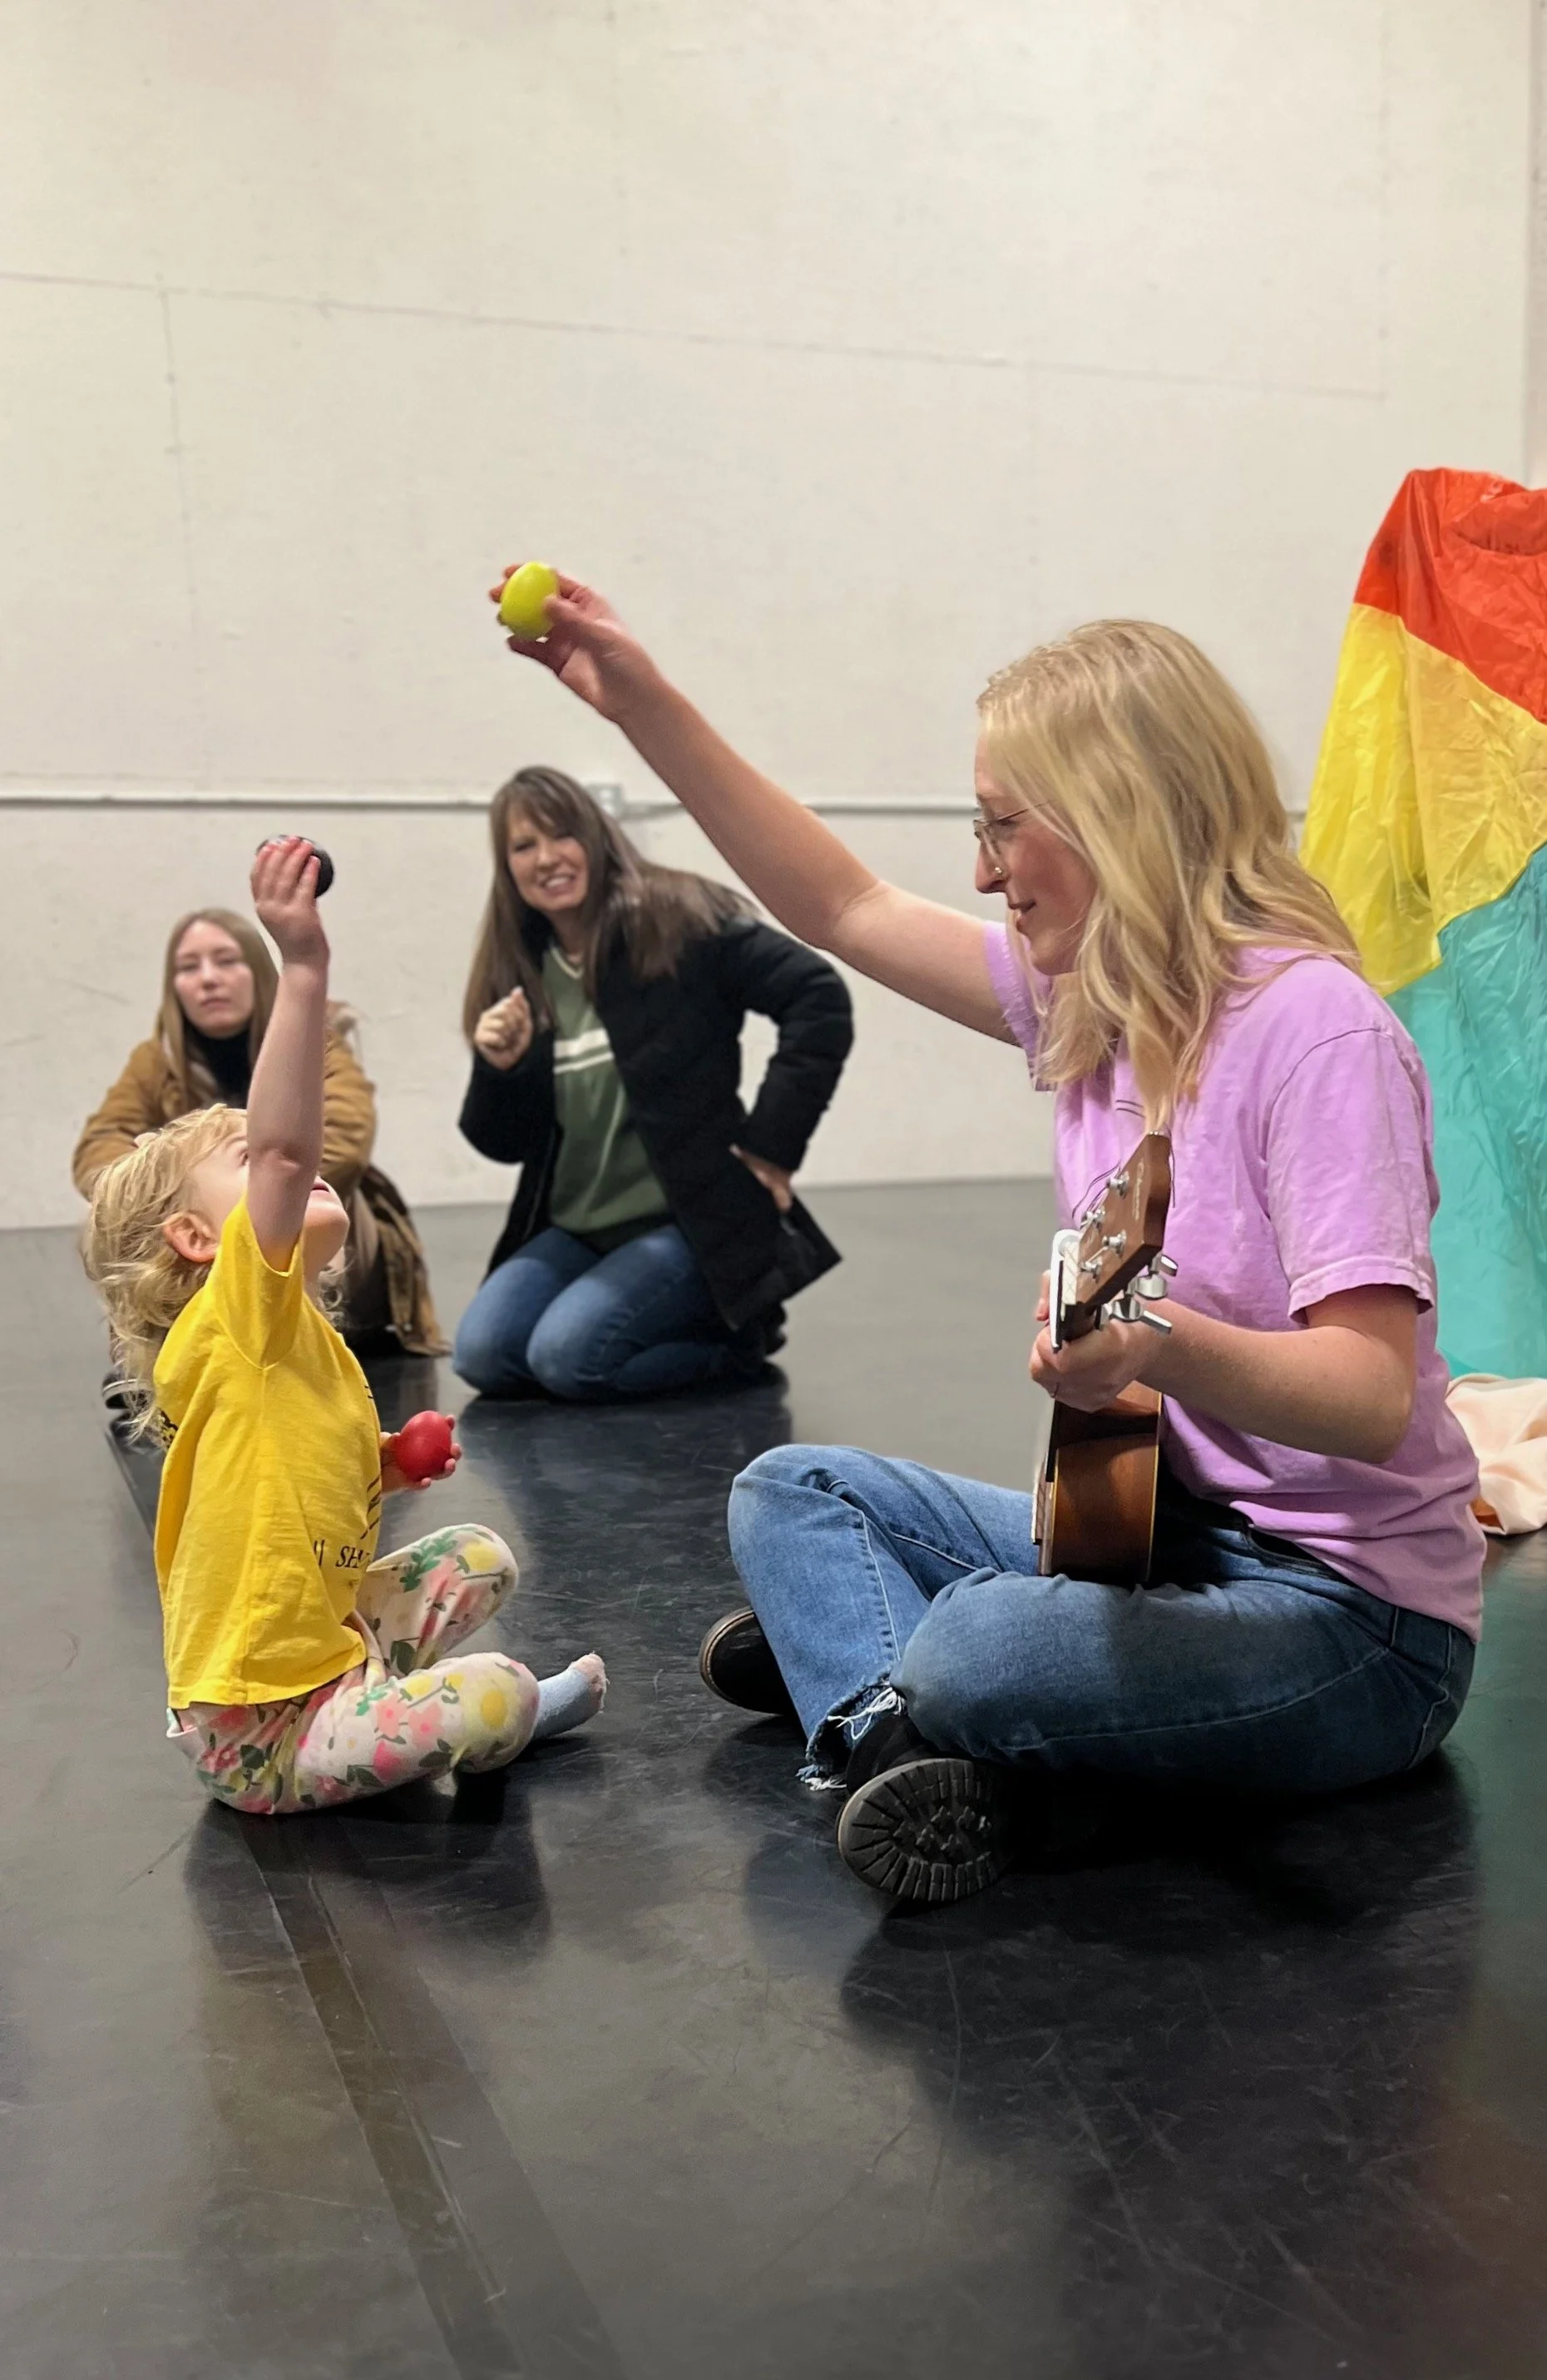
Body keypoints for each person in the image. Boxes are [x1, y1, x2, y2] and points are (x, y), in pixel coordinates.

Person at [496, 569, 1485, 1907]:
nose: (980, 867)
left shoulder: (1319, 1035)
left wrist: (1154, 1344)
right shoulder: (1095, 1002)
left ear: (1118, 813)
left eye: (1004, 825)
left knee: (975, 1647)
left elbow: (1368, 1402)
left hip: (1353, 1624)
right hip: (1153, 1540)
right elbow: (839, 904)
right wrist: (644, 706)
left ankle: (883, 1681)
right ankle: (892, 1726)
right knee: (791, 1492)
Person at [80, 837, 604, 1816]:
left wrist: (393, 1460)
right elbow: (288, 1148)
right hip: (259, 1737)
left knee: (480, 1554)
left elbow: (304, 1463)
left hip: (327, 1644)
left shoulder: (292, 1339)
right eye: (247, 1162)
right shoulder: (240, 1318)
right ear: (198, 1239)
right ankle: (493, 1715)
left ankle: (393, 1700)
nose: (286, 1164)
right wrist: (304, 963)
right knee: (493, 1691)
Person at [453, 765, 853, 1401]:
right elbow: (504, 1143)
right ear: (508, 869)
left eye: (562, 835)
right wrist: (495, 1068)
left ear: (595, 835)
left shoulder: (678, 918)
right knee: (483, 1354)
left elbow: (817, 996)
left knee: (565, 1359)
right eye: (523, 846)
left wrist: (773, 1146)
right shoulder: (522, 970)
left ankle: (736, 1340)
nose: (547, 858)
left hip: (686, 1222)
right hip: (580, 1225)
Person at [73, 904, 443, 1355]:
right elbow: (99, 1144)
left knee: (317, 1194)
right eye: (189, 967)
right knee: (126, 1210)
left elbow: (345, 1138)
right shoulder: (157, 1059)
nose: (208, 978)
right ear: (174, 987)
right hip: (211, 1223)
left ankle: (312, 1323)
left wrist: (259, 1184)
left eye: (226, 960)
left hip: (311, 1214)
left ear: (257, 970)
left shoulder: (314, 1039)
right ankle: (153, 1352)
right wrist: (156, 1183)